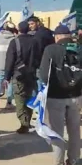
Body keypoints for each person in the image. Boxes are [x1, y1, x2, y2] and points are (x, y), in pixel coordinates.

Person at [40, 25, 82, 165]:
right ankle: (74, 160)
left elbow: (44, 75)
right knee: (75, 130)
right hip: (76, 96)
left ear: (57, 37)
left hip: (55, 96)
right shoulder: (79, 49)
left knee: (57, 132)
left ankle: (59, 162)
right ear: (69, 35)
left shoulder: (50, 49)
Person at [5, 21, 40, 134]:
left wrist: (7, 76)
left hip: (18, 75)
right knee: (29, 98)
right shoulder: (35, 41)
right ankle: (28, 121)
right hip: (31, 74)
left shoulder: (14, 42)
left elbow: (10, 61)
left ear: (19, 30)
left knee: (20, 99)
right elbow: (38, 58)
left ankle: (24, 124)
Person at [0, 22, 16, 109]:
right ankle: (9, 102)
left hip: (0, 65)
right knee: (10, 83)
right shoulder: (14, 39)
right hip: (11, 65)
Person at [27, 16, 55, 91]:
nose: (30, 26)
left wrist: (34, 63)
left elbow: (38, 51)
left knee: (41, 86)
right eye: (29, 24)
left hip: (41, 63)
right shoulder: (47, 31)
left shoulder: (39, 35)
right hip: (50, 61)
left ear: (38, 23)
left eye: (32, 24)